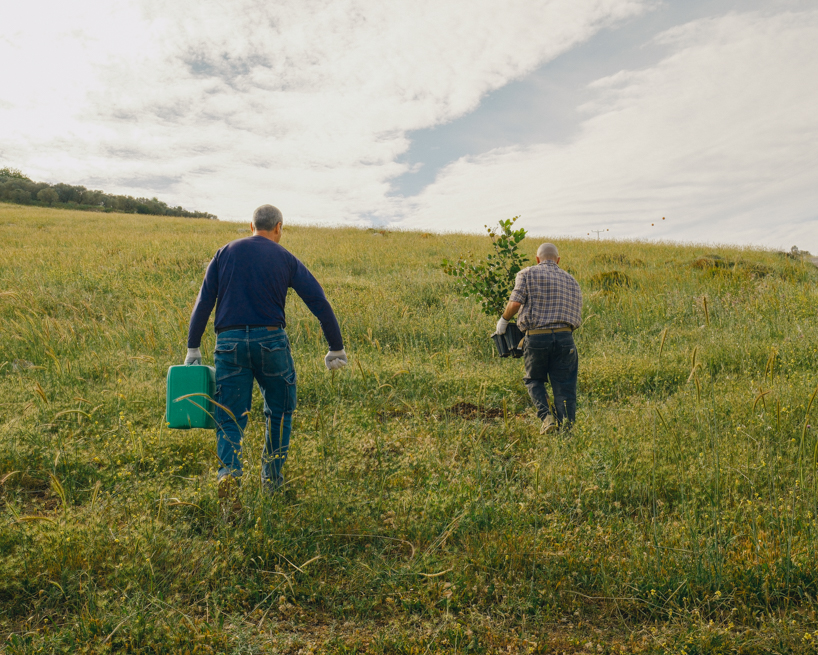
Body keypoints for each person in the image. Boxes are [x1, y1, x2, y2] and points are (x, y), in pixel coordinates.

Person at [185, 204, 346, 508]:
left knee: (229, 415)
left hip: (229, 342)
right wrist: (335, 346)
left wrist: (193, 347)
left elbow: (204, 301)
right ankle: (271, 484)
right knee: (280, 412)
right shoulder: (285, 257)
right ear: (278, 227)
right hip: (271, 341)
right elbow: (318, 300)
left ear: (251, 226)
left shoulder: (224, 253)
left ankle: (229, 475)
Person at [495, 243, 582, 434]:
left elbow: (515, 303)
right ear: (558, 260)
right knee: (565, 387)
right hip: (566, 338)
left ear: (537, 259)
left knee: (534, 380)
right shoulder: (572, 281)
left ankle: (547, 418)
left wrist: (504, 320)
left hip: (536, 338)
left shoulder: (527, 273)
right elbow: (576, 317)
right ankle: (566, 431)